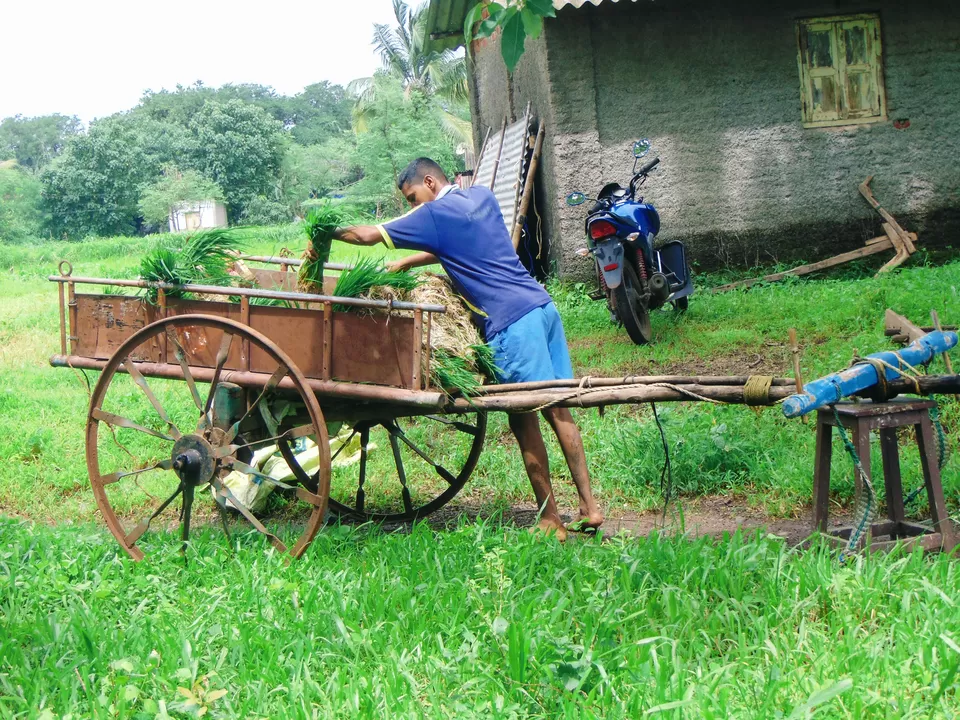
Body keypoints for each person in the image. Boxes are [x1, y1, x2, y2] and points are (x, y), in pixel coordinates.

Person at [333, 157, 603, 539]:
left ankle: (549, 520)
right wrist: (410, 260)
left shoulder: (432, 216)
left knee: (524, 419)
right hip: (542, 308)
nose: (414, 207)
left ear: (429, 182)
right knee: (559, 409)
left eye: (413, 197)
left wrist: (327, 231)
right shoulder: (481, 197)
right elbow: (458, 244)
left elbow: (366, 236)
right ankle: (590, 508)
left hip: (511, 324)